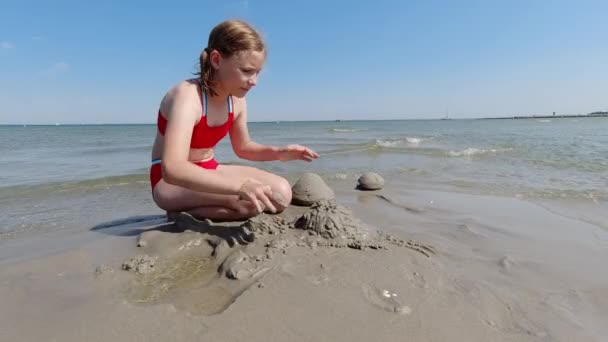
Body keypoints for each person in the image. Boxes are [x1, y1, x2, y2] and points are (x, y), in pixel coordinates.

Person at [150, 19, 319, 221]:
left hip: (209, 169)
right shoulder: (187, 97)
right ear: (216, 60)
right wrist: (239, 186)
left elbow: (243, 147)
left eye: (258, 73)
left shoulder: (236, 101)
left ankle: (193, 211)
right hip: (170, 183)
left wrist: (280, 152)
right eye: (247, 71)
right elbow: (173, 169)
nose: (254, 81)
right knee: (248, 204)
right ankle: (180, 214)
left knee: (281, 194)